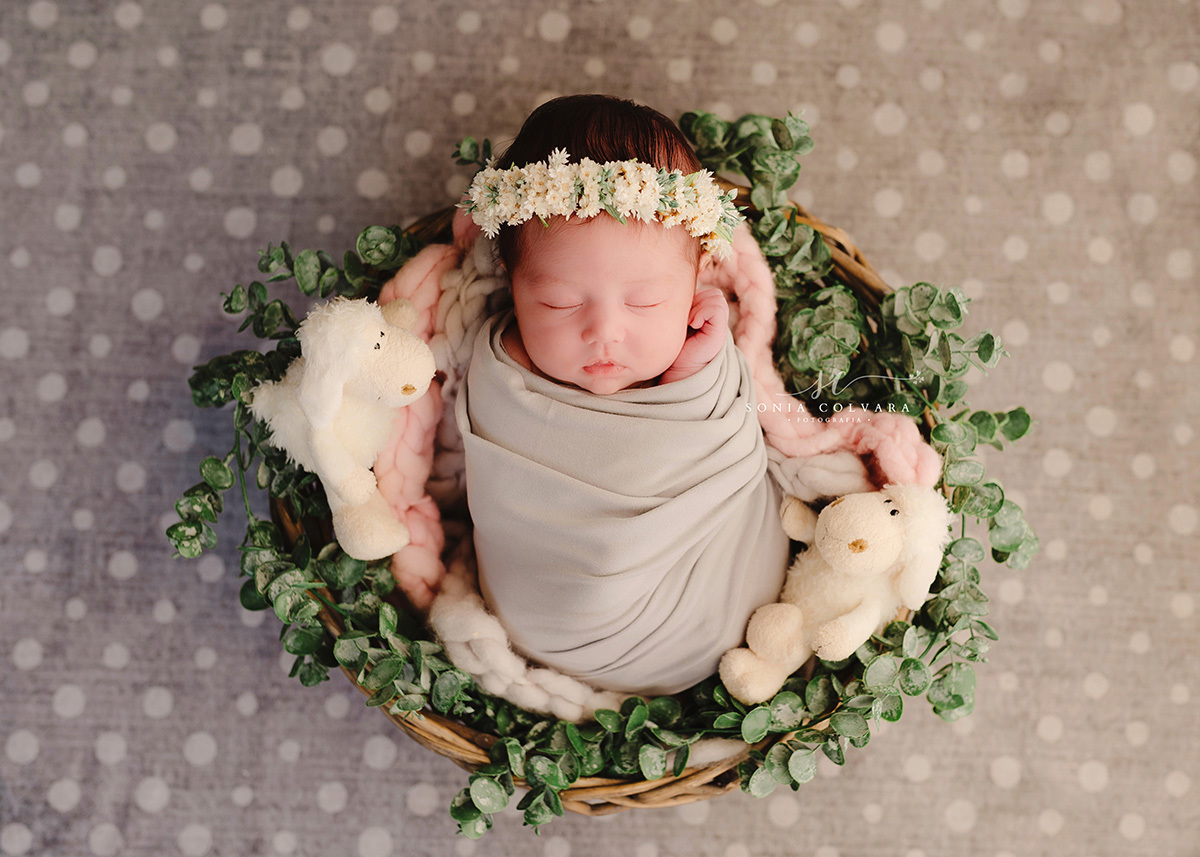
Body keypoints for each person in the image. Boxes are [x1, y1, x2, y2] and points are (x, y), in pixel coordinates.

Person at [453, 94, 791, 696]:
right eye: (558, 302)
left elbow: (725, 446)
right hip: (551, 624)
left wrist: (694, 372)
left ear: (694, 284)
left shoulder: (704, 366)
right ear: (512, 281)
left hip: (718, 607)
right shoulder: (497, 375)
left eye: (646, 303)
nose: (604, 332)